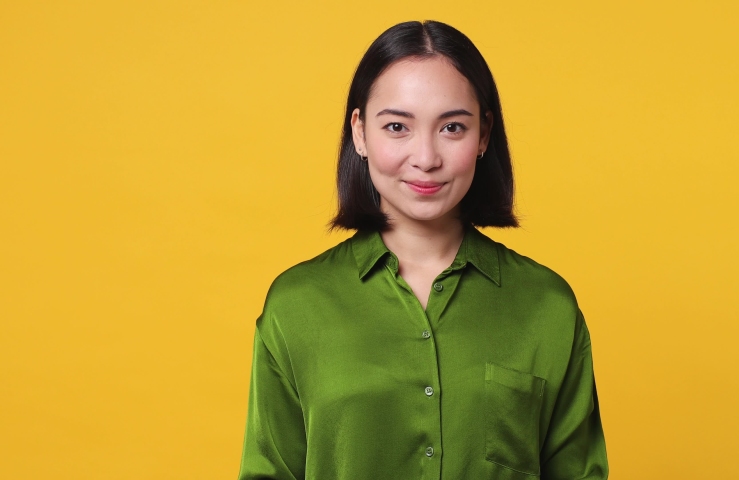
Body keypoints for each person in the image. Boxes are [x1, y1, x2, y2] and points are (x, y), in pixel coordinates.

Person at [238, 20, 608, 480]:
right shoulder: (296, 306)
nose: (426, 157)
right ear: (360, 133)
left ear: (484, 135)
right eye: (397, 126)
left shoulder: (547, 307)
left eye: (452, 127)